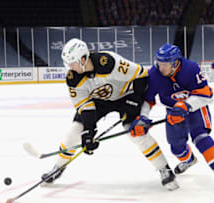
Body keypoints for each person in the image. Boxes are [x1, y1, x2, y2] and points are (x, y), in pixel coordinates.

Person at [41, 38, 179, 190]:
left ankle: (165, 169)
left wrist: (134, 102)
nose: (70, 68)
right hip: (99, 102)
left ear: (83, 59)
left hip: (126, 96)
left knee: (136, 133)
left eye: (72, 63)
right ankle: (58, 168)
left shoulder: (109, 63)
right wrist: (88, 131)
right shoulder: (74, 79)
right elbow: (85, 106)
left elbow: (141, 77)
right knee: (75, 132)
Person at [130, 44, 214, 193]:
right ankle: (188, 160)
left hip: (195, 108)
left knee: (200, 138)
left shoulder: (191, 68)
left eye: (164, 64)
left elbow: (207, 95)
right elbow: (148, 100)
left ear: (175, 63)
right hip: (172, 112)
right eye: (158, 63)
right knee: (176, 147)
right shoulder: (155, 74)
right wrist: (143, 117)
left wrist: (186, 105)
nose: (160, 67)